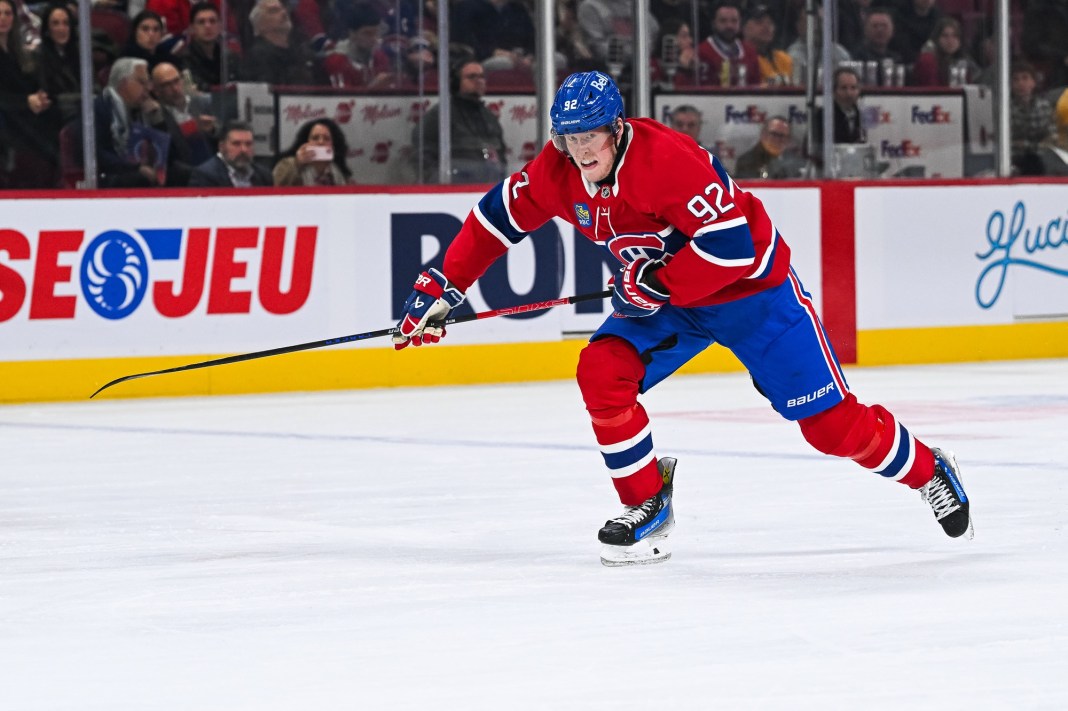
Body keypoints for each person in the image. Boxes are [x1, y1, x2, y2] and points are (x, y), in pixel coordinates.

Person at [390, 70, 974, 566]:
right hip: (671, 305)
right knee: (602, 372)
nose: (582, 149)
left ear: (617, 128)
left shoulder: (667, 161)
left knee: (833, 430)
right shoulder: (559, 168)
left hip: (754, 297)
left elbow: (733, 248)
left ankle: (928, 471)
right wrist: (444, 283)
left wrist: (658, 282)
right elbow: (498, 218)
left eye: (592, 134)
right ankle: (647, 501)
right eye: (569, 137)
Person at [411, 58, 507, 183]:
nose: (479, 81)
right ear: (456, 83)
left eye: (482, 77)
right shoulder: (442, 114)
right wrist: (435, 178)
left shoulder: (488, 116)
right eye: (472, 77)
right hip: (455, 186)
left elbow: (501, 153)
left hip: (488, 185)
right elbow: (421, 149)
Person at [0, 0, 61, 188]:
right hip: (7, 117)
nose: (3, 18)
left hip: (19, 114)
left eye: (8, 13)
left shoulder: (17, 51)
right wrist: (26, 101)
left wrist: (39, 96)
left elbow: (23, 85)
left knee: (56, 113)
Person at [241, 0, 318, 85]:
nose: (284, 13)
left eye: (283, 9)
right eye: (274, 11)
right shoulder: (257, 59)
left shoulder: (303, 53)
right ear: (260, 25)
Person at [171, 2, 241, 91]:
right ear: (192, 28)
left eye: (212, 21)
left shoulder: (230, 56)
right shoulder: (183, 58)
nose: (208, 26)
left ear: (220, 26)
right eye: (201, 22)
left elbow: (243, 82)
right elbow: (196, 88)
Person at [188, 120, 273, 186]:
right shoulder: (205, 175)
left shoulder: (264, 175)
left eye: (248, 144)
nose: (244, 149)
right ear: (221, 146)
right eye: (236, 144)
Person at [34, 3, 80, 126]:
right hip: (57, 116)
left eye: (66, 23)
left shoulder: (80, 53)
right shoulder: (39, 57)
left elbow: (93, 85)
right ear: (47, 29)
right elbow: (50, 98)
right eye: (55, 23)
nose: (61, 29)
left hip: (81, 109)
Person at [273, 118, 354, 185]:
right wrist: (297, 163)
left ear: (334, 145)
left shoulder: (339, 172)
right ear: (305, 142)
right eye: (315, 138)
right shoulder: (288, 164)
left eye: (326, 138)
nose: (321, 142)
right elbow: (275, 188)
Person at [697, 1, 760, 87]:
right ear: (713, 23)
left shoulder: (750, 52)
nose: (729, 25)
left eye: (734, 21)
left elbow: (757, 88)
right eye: (723, 21)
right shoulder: (701, 52)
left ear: (740, 23)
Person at [1010, 62, 1056, 176]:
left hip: (1041, 162)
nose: (1020, 83)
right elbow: (1003, 142)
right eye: (1016, 79)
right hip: (1012, 163)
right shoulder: (1004, 109)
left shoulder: (1044, 107)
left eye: (1025, 78)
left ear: (1033, 82)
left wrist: (1026, 145)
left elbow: (1052, 139)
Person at [912, 17, 980, 87]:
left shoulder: (962, 61)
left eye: (955, 36)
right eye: (945, 36)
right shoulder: (927, 60)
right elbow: (932, 93)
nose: (950, 41)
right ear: (936, 38)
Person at [733, 115, 799, 179]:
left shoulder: (794, 161)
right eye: (774, 134)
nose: (778, 139)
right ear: (763, 134)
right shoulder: (746, 162)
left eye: (782, 136)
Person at [742, 4, 791, 86]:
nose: (766, 26)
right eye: (759, 22)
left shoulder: (784, 59)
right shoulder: (739, 58)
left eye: (770, 22)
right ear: (743, 28)